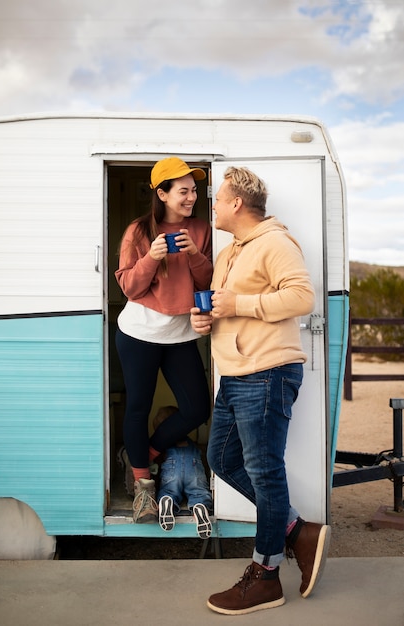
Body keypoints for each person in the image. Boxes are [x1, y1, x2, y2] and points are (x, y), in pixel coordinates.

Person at [190, 166, 331, 615]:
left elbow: (301, 297)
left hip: (267, 372)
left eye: (217, 198)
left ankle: (266, 575)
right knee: (221, 460)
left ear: (236, 203)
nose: (211, 206)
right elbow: (225, 307)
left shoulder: (275, 242)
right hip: (235, 374)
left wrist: (239, 304)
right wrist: (207, 320)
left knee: (265, 471)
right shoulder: (233, 250)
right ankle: (296, 531)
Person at [115, 157, 213, 524]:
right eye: (183, 190)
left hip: (180, 334)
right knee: (138, 408)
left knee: (197, 409)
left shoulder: (201, 229)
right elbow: (129, 286)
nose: (191, 196)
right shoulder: (138, 232)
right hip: (138, 332)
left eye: (194, 190)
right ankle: (143, 488)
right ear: (162, 193)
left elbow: (207, 282)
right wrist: (152, 258)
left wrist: (194, 254)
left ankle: (143, 456)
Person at [153, 406, 213, 539]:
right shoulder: (190, 442)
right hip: (194, 468)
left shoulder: (163, 442)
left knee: (169, 490)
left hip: (172, 470)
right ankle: (199, 506)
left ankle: (166, 500)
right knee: (199, 492)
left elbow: (157, 461)